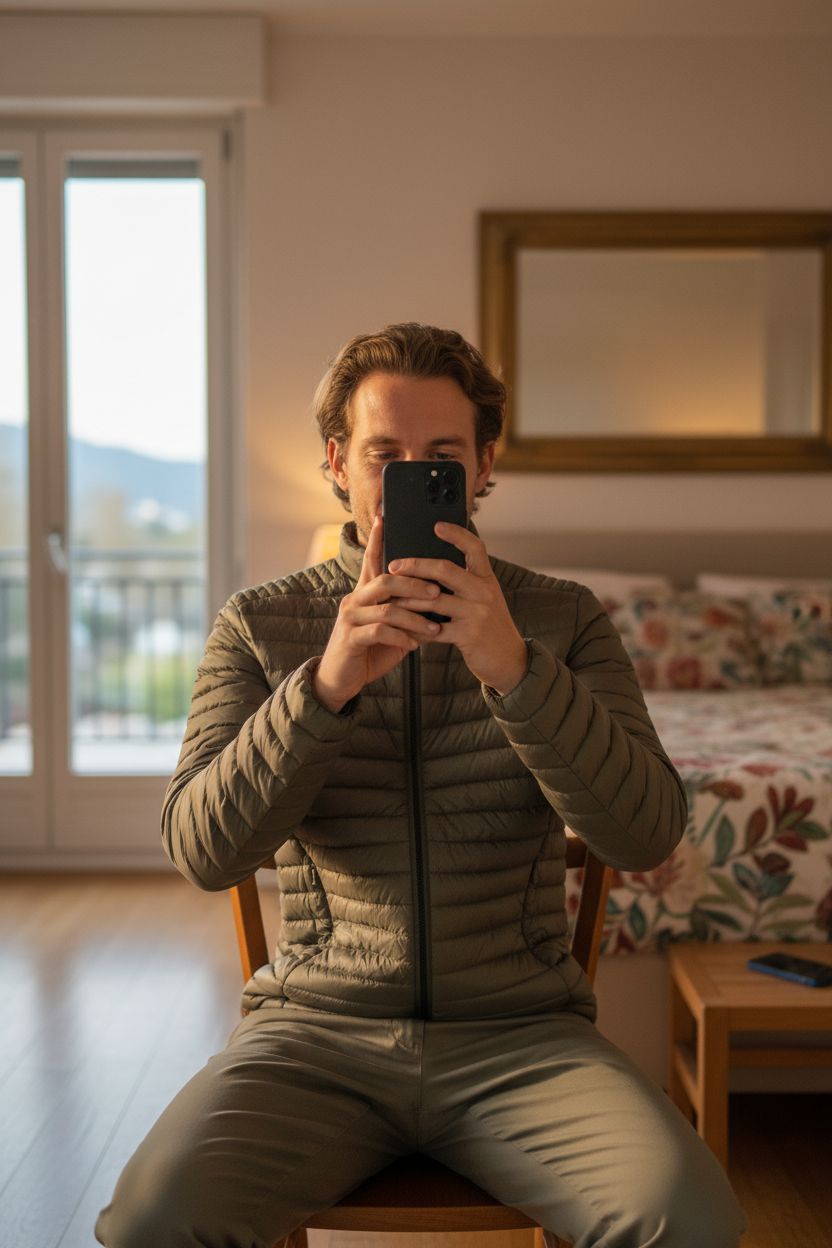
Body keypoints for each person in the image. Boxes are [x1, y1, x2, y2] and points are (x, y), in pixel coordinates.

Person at [95, 323, 747, 1247]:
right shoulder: (259, 625)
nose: (411, 474)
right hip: (313, 1040)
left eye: (440, 455)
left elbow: (644, 835)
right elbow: (203, 852)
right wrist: (325, 688)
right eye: (384, 454)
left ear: (484, 465)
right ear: (337, 463)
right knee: (149, 1224)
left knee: (692, 1220)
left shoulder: (562, 618)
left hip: (526, 1040)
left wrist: (514, 667)